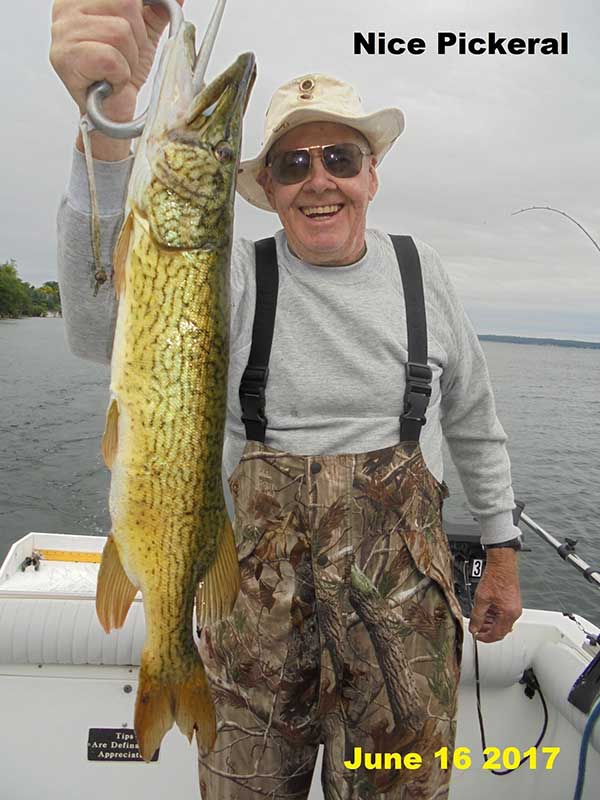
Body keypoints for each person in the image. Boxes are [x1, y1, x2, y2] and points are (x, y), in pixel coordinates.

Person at [50, 1, 522, 797]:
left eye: (339, 156)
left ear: (371, 172)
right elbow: (102, 323)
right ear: (265, 188)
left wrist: (503, 554)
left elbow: (474, 422)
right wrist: (107, 133)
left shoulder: (423, 274)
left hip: (400, 627)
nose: (320, 180)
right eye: (292, 165)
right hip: (253, 616)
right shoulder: (232, 271)